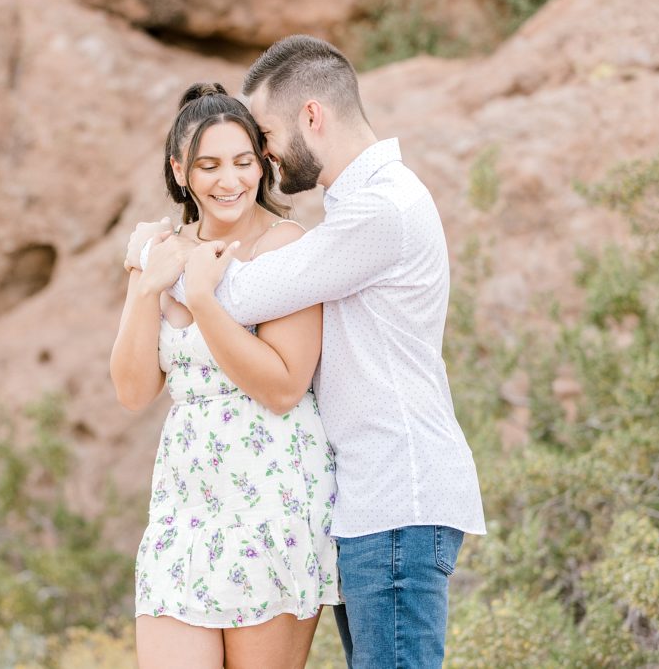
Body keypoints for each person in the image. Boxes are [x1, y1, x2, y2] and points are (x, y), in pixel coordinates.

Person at [125, 36, 487, 669]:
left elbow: (250, 291)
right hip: (363, 501)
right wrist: (159, 263)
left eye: (262, 135)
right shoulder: (354, 203)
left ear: (311, 117)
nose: (262, 155)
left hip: (396, 497)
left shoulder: (382, 210)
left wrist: (154, 261)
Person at [110, 82, 340, 669]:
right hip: (184, 504)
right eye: (209, 165)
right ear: (180, 170)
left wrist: (207, 300)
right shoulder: (162, 250)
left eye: (243, 162)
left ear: (262, 164)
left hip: (273, 497)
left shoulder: (287, 247)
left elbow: (285, 387)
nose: (229, 180)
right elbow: (134, 391)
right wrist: (146, 285)